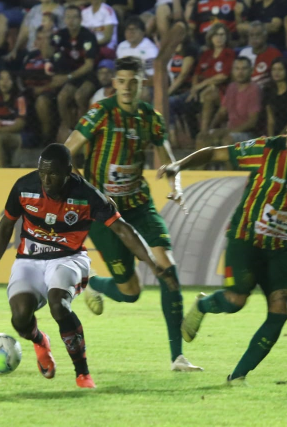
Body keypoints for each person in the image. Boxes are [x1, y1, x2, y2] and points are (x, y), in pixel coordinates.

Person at [158, 108, 287, 383]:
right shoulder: (267, 148)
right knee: (236, 301)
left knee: (281, 308)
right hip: (246, 237)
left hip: (283, 246)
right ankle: (202, 306)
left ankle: (237, 376)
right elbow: (215, 152)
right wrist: (179, 164)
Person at [0, 143, 166, 388]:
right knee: (20, 318)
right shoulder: (24, 187)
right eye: (42, 172)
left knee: (58, 305)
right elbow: (4, 229)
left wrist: (151, 261)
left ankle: (82, 373)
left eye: (53, 173)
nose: (46, 179)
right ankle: (40, 341)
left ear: (68, 172)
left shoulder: (87, 194)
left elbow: (122, 229)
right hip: (29, 260)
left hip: (69, 258)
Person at [64, 56, 203, 372]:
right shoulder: (100, 113)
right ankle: (95, 284)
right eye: (122, 81)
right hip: (104, 213)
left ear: (143, 85)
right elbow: (66, 149)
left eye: (134, 82)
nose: (127, 87)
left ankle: (177, 357)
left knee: (166, 265)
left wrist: (176, 183)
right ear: (114, 83)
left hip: (139, 205)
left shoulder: (150, 118)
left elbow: (168, 157)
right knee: (130, 294)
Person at [49, 6, 98, 142]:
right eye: (68, 17)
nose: (71, 21)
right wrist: (47, 34)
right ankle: (71, 128)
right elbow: (48, 54)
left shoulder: (87, 35)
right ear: (64, 19)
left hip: (87, 75)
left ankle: (84, 130)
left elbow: (89, 65)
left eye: (75, 17)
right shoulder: (60, 35)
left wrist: (67, 77)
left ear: (81, 19)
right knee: (62, 97)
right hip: (71, 75)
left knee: (80, 96)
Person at [196, 57, 262, 149]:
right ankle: (205, 163)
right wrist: (209, 129)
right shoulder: (232, 87)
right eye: (237, 69)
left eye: (244, 69)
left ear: (251, 70)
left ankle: (231, 163)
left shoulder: (254, 89)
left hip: (248, 133)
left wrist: (229, 132)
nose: (240, 72)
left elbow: (252, 122)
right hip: (230, 130)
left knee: (227, 140)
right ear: (232, 70)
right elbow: (222, 112)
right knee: (202, 138)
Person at [0, 70, 36, 167]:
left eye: (8, 79)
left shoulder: (20, 99)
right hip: (1, 131)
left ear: (14, 82)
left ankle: (2, 174)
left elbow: (19, 125)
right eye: (1, 79)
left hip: (23, 135)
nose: (4, 83)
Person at [187, 22, 235, 134]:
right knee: (183, 103)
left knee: (208, 95)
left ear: (227, 36)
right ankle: (195, 136)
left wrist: (201, 85)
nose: (219, 38)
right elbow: (196, 74)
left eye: (222, 35)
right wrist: (194, 88)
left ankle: (204, 134)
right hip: (200, 89)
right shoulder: (206, 54)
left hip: (221, 90)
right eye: (216, 35)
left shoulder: (229, 53)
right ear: (211, 37)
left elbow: (223, 76)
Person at [116, 16, 158, 101]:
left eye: (134, 29)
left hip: (145, 84)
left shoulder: (150, 50)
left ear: (143, 32)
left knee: (142, 95)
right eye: (128, 29)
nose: (131, 32)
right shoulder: (121, 47)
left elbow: (153, 77)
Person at [238, 21, 283, 88]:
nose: (254, 38)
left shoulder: (275, 54)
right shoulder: (244, 53)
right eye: (251, 35)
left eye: (258, 34)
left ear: (265, 36)